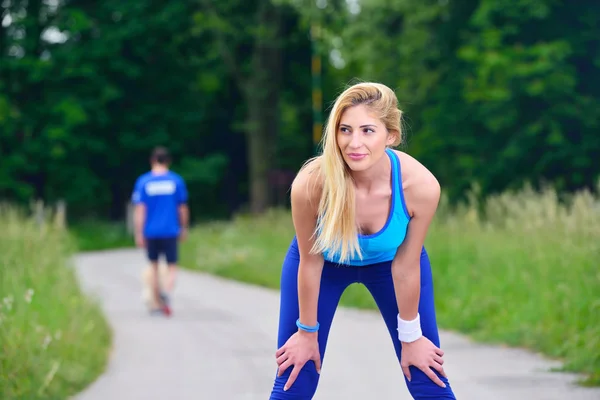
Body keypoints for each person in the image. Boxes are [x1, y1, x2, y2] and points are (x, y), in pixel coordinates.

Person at [269, 82, 456, 399]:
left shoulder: (420, 186)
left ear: (391, 136)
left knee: (427, 376)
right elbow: (310, 262)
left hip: (391, 266)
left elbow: (407, 268)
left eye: (368, 130)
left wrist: (411, 337)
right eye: (345, 130)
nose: (354, 143)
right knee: (295, 375)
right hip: (323, 266)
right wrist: (306, 332)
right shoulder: (312, 184)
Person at [131, 146, 189, 316]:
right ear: (168, 162)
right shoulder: (176, 181)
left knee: (154, 267)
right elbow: (182, 208)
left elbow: (140, 210)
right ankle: (167, 292)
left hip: (151, 231)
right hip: (171, 230)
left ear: (152, 161)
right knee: (172, 266)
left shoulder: (143, 182)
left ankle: (156, 302)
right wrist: (183, 227)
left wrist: (139, 232)